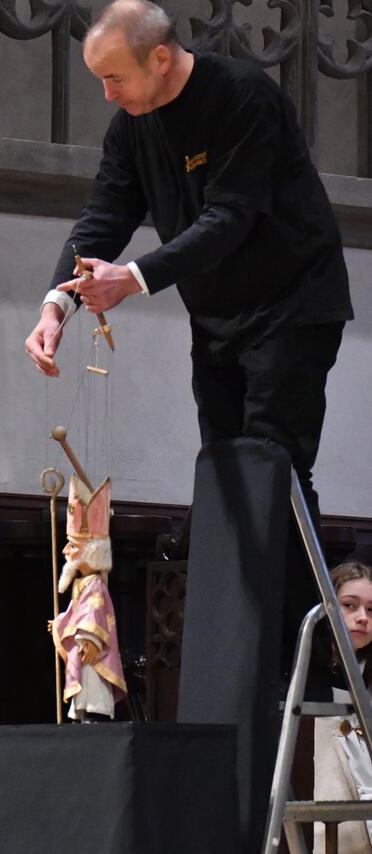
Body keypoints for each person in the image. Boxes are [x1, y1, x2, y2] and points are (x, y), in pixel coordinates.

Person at [24, 0, 351, 524]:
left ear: (159, 58)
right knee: (224, 469)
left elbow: (231, 216)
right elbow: (103, 217)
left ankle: (292, 583)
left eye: (114, 78)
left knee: (271, 464)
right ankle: (233, 581)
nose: (108, 94)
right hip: (217, 317)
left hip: (291, 306)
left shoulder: (242, 96)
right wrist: (56, 306)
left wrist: (131, 279)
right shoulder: (130, 127)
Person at [313, 561, 372, 854]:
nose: (362, 617)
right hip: (333, 794)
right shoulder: (312, 670)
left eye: (371, 610)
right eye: (350, 605)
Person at [51, 475, 127, 721]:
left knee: (92, 690)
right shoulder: (83, 584)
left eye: (72, 546)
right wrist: (60, 623)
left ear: (91, 551)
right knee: (84, 695)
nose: (65, 551)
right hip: (83, 651)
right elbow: (77, 614)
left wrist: (92, 640)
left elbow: (94, 615)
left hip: (93, 655)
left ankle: (92, 716)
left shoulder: (95, 585)